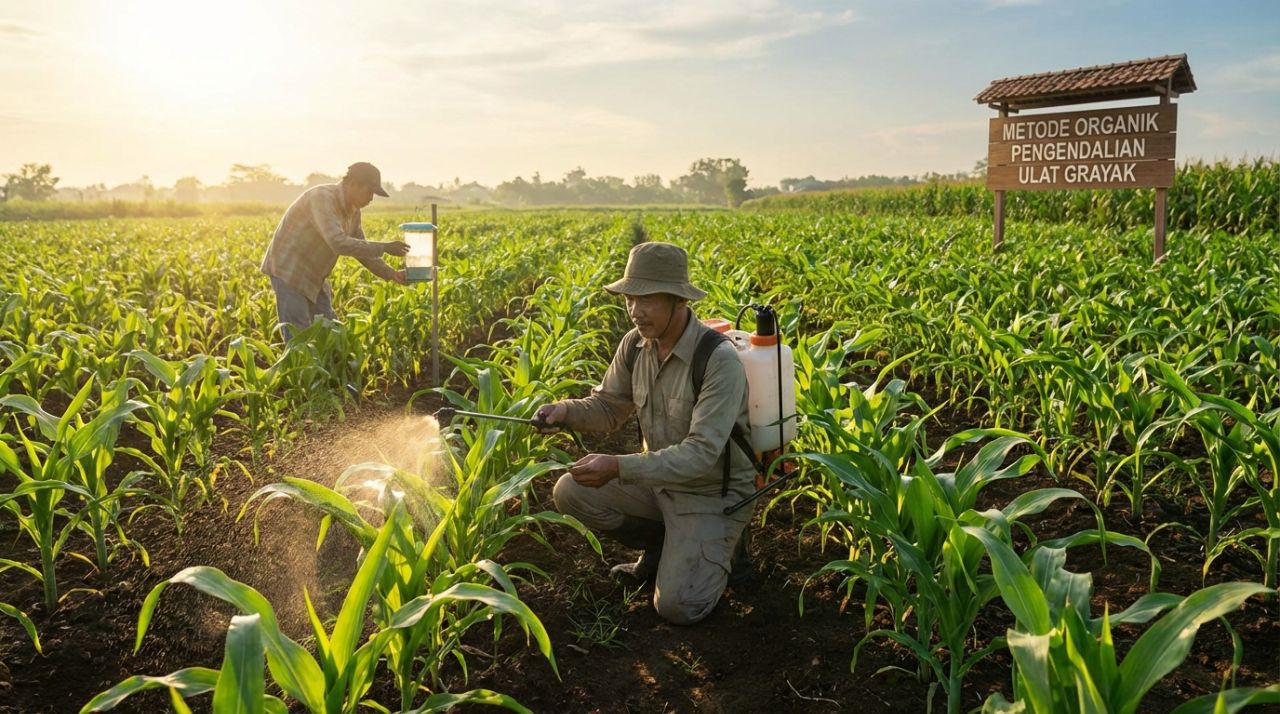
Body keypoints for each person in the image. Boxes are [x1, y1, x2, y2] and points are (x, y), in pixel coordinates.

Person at [535, 242, 755, 626]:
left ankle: (729, 547)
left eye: (648, 299)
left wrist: (619, 467)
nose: (635, 311)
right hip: (659, 484)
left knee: (678, 608)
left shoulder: (718, 361)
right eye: (630, 298)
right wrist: (565, 411)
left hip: (710, 493)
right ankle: (662, 545)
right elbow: (608, 408)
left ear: (679, 301)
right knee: (570, 490)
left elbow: (701, 454)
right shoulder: (635, 345)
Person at [260, 161, 410, 338]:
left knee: (329, 330)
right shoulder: (322, 198)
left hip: (315, 274)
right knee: (298, 335)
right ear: (353, 184)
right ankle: (299, 365)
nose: (371, 198)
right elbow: (338, 242)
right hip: (290, 270)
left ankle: (328, 365)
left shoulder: (353, 210)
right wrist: (384, 247)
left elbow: (358, 246)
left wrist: (391, 273)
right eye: (369, 191)